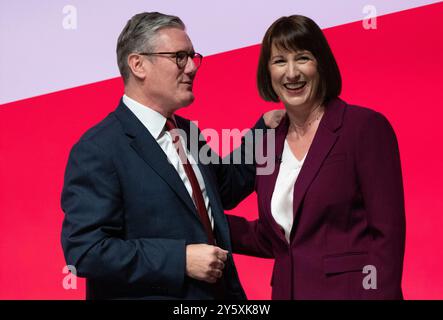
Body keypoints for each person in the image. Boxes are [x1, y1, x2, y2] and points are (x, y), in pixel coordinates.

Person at [60, 12, 280, 300]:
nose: (191, 67)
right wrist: (180, 259)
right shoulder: (98, 148)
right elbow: (86, 251)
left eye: (192, 56)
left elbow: (224, 188)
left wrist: (266, 130)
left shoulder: (187, 132)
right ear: (138, 64)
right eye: (179, 56)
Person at [227, 15, 406, 299]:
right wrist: (202, 221)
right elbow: (273, 237)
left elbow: (387, 235)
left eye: (303, 58)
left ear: (321, 64)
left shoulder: (364, 127)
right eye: (279, 61)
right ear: (267, 72)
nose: (292, 73)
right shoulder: (269, 143)